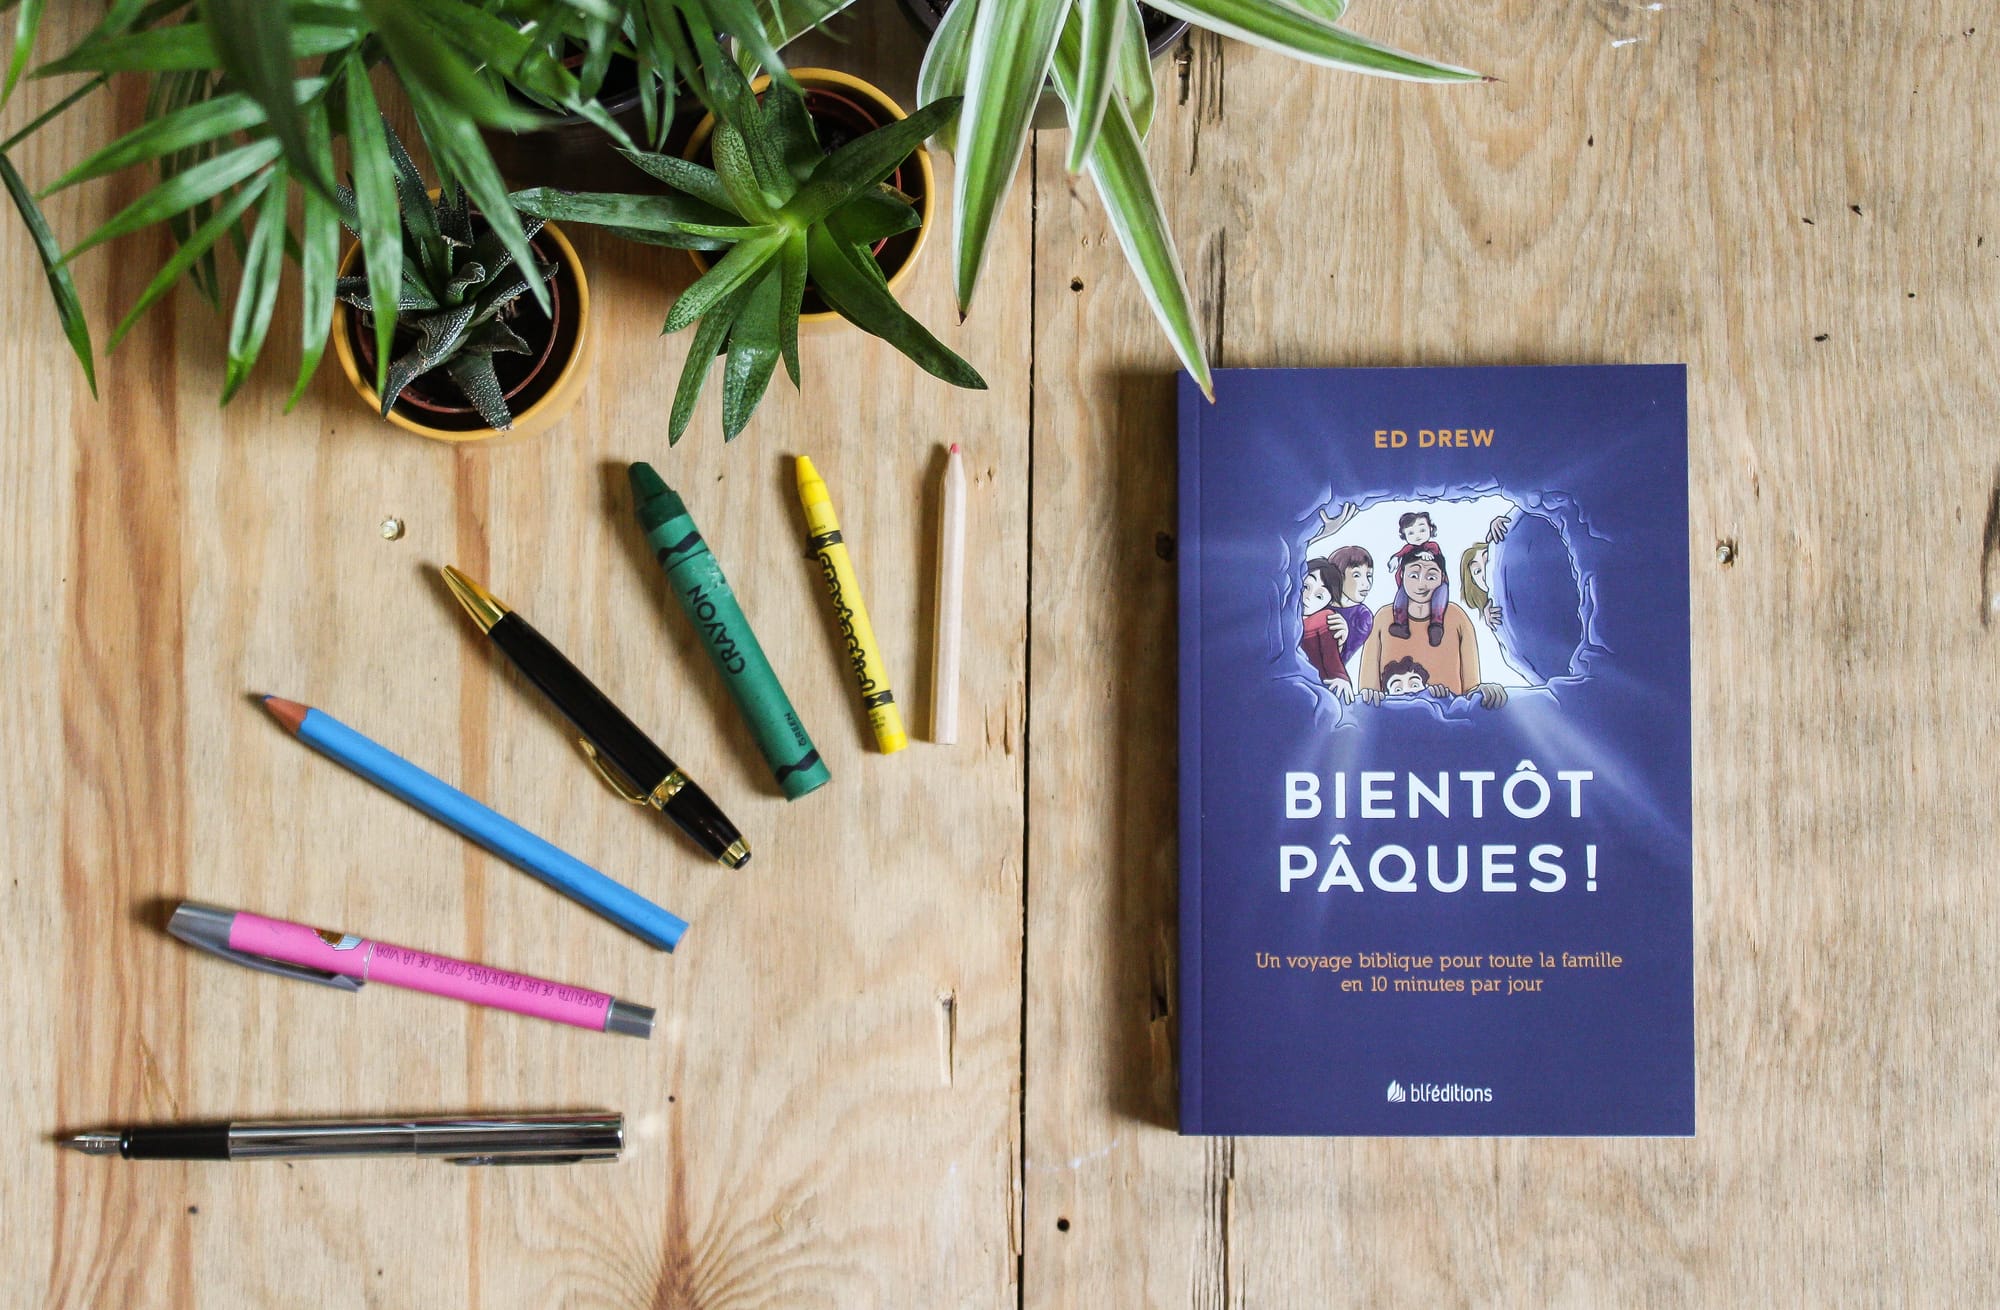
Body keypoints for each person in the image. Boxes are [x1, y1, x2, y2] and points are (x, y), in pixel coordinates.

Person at [1356, 542, 1506, 707]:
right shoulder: (1383, 619)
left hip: (1450, 715)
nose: (1421, 584)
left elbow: (1471, 688)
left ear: (1442, 578)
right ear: (1402, 575)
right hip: (1394, 715)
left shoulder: (1457, 618)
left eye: (1431, 577)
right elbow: (1368, 693)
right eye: (1414, 575)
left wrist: (1484, 692)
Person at [1386, 511, 1449, 643]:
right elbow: (1400, 555)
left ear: (1430, 529)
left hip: (1438, 585)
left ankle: (1436, 625)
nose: (1418, 536)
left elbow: (1434, 554)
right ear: (1404, 535)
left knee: (1441, 595)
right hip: (1406, 587)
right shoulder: (1407, 549)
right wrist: (1395, 559)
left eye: (1422, 530)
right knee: (1401, 597)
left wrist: (1423, 553)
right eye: (1411, 533)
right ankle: (1401, 624)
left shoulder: (1433, 546)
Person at [1297, 562, 1350, 691]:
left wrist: (1341, 677)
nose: (1308, 597)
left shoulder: (1324, 619)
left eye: (1319, 596)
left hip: (1315, 686)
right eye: (1305, 587)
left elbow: (1331, 656)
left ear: (1330, 601)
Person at [1459, 542, 1502, 631]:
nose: (1485, 569)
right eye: (1478, 571)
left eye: (1487, 560)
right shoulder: (1492, 610)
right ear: (1474, 582)